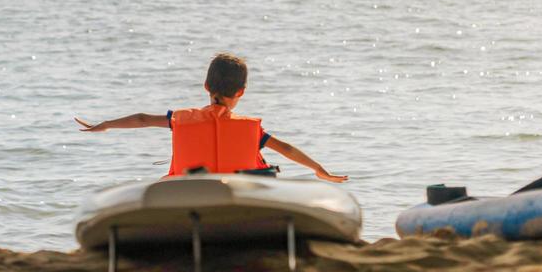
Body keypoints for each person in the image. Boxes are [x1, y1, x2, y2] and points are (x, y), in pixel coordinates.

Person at [75, 52, 346, 182]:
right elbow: (286, 148)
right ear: (241, 91)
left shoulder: (180, 119)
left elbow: (143, 119)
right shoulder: (251, 130)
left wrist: (106, 125)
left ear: (206, 87)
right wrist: (319, 170)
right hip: (237, 194)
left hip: (189, 192)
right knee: (264, 164)